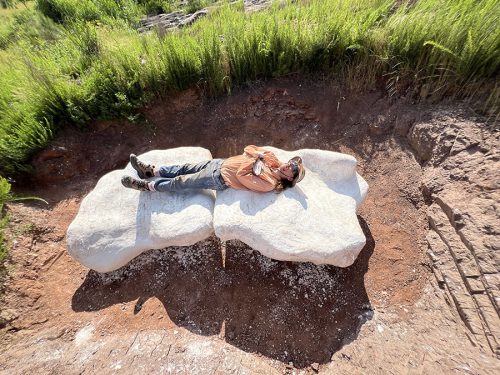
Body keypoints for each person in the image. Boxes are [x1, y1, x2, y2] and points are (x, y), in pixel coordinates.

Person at [121, 145, 305, 193]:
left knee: (181, 182)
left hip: (219, 178)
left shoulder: (269, 184)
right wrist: (259, 155)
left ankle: (147, 187)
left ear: (290, 178)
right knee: (182, 168)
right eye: (292, 162)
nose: (290, 164)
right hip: (219, 162)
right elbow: (248, 148)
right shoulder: (272, 160)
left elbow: (241, 175)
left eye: (293, 169)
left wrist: (256, 158)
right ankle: (150, 171)